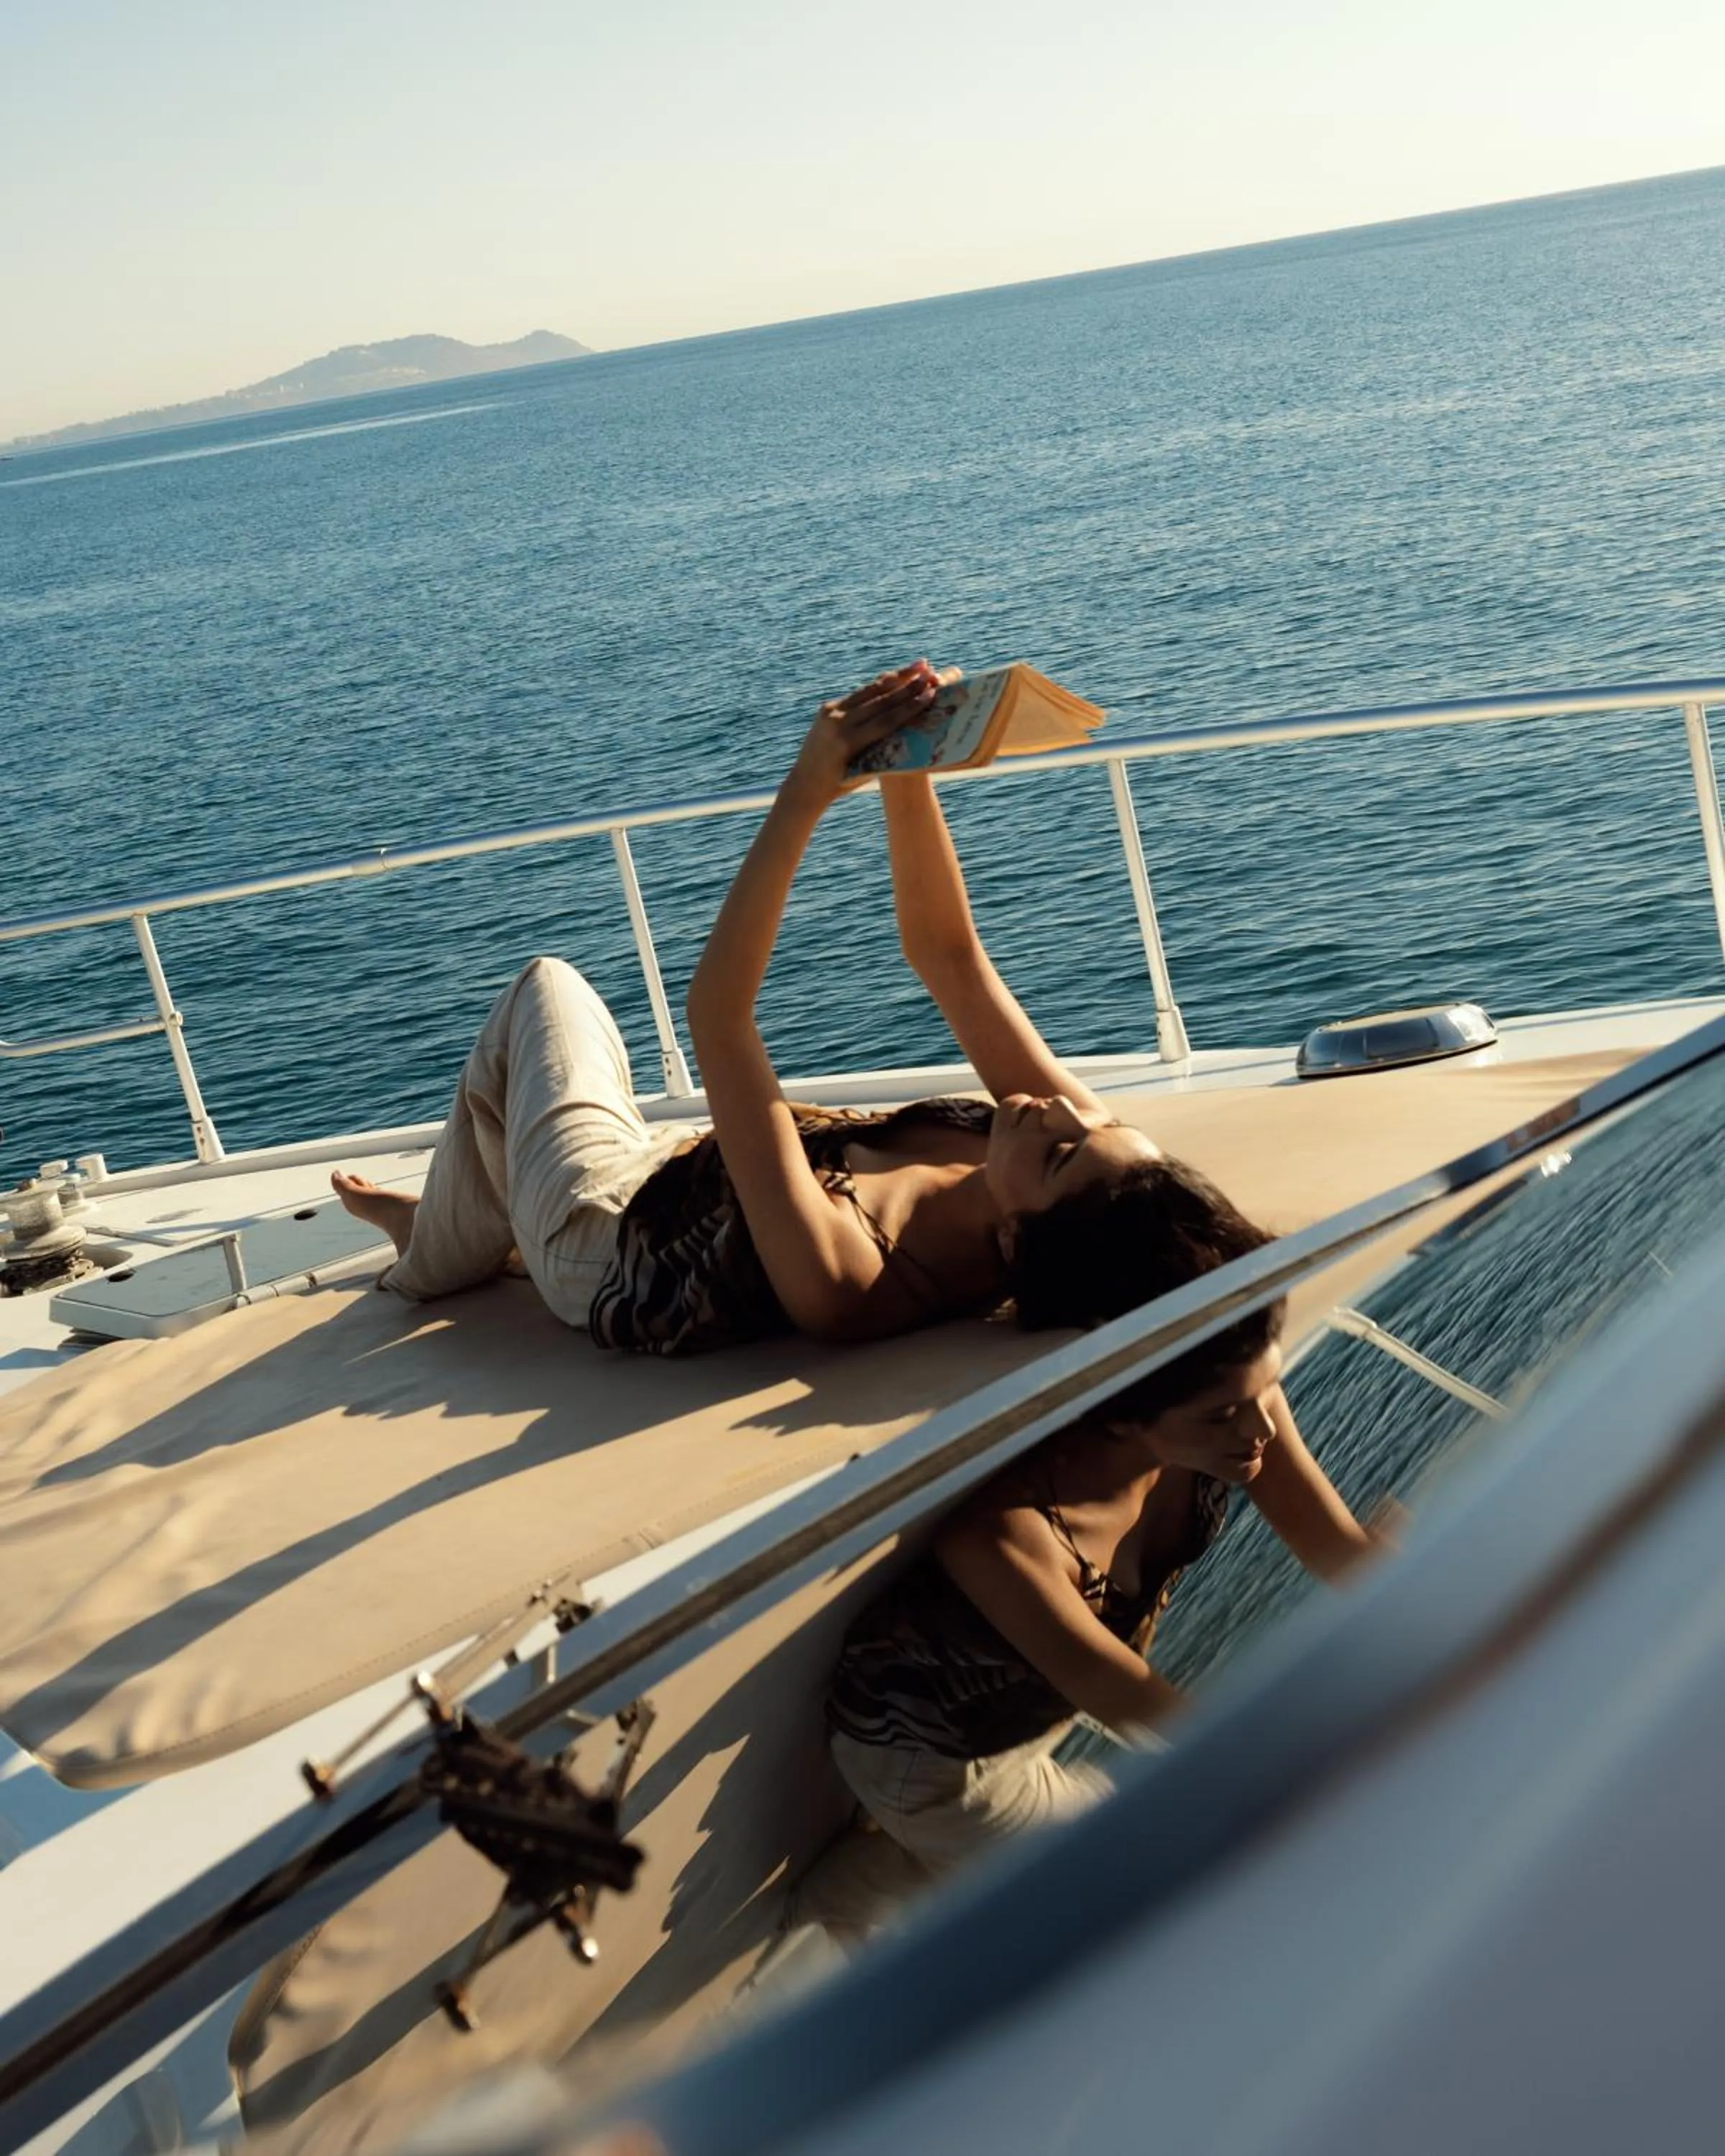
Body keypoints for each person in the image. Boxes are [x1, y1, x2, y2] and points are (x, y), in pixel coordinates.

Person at [334, 659, 1255, 1355]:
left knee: (547, 990)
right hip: (692, 1175)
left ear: (1018, 1240)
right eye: (1089, 1124)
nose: (1058, 1109)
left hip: (604, 1240)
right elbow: (949, 960)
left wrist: (808, 790)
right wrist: (909, 765)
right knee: (533, 1111)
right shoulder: (1082, 1175)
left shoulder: (848, 1277)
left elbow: (717, 1019)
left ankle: (429, 1259)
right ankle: (453, 1224)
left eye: (1060, 1148)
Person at [797, 1271, 1384, 1947]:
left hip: (1033, 1702)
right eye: (1225, 1415)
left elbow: (1333, 1543)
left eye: (1263, 1396)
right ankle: (852, 1885)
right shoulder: (1006, 1536)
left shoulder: (1226, 1394)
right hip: (932, 1756)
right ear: (1129, 1415)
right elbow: (1125, 1697)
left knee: (1101, 1833)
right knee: (1105, 1852)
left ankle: (947, 1854)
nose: (1261, 1427)